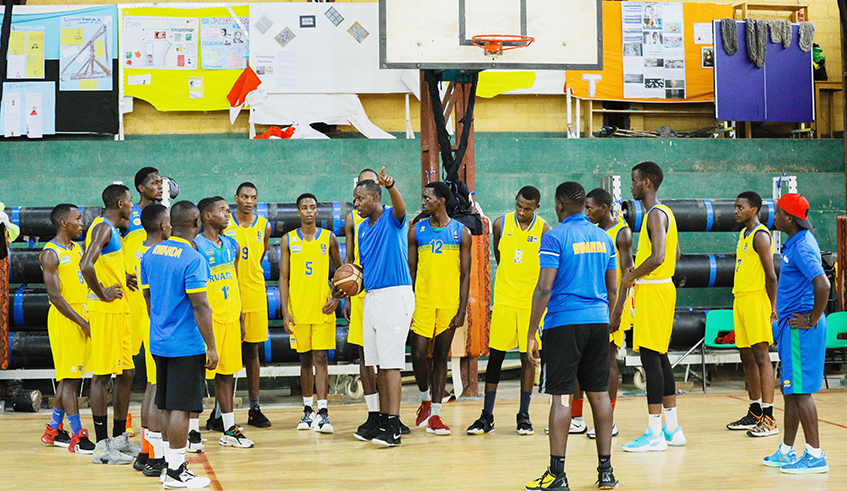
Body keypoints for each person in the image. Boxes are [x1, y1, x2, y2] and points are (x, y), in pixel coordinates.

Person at [524, 182, 618, 491]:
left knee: (562, 396)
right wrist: (604, 316)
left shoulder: (554, 237)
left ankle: (557, 475)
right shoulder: (605, 238)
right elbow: (613, 288)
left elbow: (544, 287)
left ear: (560, 206)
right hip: (598, 323)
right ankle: (606, 473)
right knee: (599, 394)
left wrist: (530, 333)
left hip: (564, 324)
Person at [141, 201, 217, 489]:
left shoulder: (150, 255)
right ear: (196, 223)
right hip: (186, 344)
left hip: (159, 341)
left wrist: (161, 324)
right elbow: (200, 306)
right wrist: (211, 347)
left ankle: (166, 464)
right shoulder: (193, 258)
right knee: (181, 409)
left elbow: (148, 300)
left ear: (172, 223)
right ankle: (176, 471)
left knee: (166, 404)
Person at [468, 186, 549, 436]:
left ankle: (523, 416)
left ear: (536, 208)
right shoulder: (500, 224)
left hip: (530, 304)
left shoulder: (545, 230)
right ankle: (487, 415)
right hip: (504, 300)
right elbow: (500, 255)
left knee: (528, 358)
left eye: (527, 208)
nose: (521, 211)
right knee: (496, 358)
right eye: (518, 206)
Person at [619, 161, 685, 452]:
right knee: (660, 357)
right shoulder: (665, 213)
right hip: (660, 289)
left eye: (633, 181)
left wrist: (631, 274)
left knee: (650, 358)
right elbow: (675, 253)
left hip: (653, 290)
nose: (630, 185)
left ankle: (655, 433)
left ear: (646, 183)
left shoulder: (655, 216)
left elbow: (659, 257)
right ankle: (672, 429)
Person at [762, 193, 830, 474]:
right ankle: (788, 450)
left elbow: (823, 284)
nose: (774, 216)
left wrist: (812, 318)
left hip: (802, 328)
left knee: (801, 393)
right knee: (790, 390)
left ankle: (815, 455)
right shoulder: (796, 243)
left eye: (777, 213)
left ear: (789, 218)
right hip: (793, 328)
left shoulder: (802, 247)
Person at [346, 167, 414, 447]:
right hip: (372, 296)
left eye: (360, 199)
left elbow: (400, 207)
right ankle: (383, 419)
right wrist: (345, 286)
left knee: (391, 365)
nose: (356, 204)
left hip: (394, 295)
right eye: (354, 200)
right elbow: (364, 269)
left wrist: (392, 186)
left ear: (375, 198)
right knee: (376, 364)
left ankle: (394, 427)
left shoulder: (391, 218)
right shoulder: (362, 229)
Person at [80, 184, 139, 464]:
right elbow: (85, 264)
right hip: (105, 310)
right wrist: (103, 292)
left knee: (127, 372)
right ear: (119, 204)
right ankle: (102, 446)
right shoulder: (103, 227)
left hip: (119, 309)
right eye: (129, 202)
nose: (132, 206)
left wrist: (122, 276)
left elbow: (104, 262)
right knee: (102, 376)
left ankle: (119, 438)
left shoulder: (113, 231)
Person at [408, 182, 472, 436]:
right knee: (418, 355)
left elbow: (466, 275)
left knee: (441, 357)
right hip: (421, 301)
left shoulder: (461, 232)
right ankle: (424, 400)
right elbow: (410, 271)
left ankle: (435, 414)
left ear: (441, 201)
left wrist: (462, 309)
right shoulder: (417, 230)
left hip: (448, 303)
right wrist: (407, 302)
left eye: (428, 198)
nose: (423, 201)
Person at [572, 188, 633, 439]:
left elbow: (627, 276)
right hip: (591, 306)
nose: (586, 212)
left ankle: (610, 421)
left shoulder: (622, 233)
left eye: (590, 208)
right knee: (577, 363)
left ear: (604, 209)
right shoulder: (592, 232)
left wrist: (617, 311)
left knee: (607, 363)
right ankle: (577, 419)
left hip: (613, 306)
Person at [280, 193, 343, 433]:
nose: (309, 211)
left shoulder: (329, 238)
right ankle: (307, 410)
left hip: (322, 309)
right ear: (298, 212)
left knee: (320, 359)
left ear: (318, 212)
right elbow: (283, 278)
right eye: (304, 208)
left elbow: (343, 272)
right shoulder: (288, 240)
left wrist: (337, 298)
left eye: (313, 207)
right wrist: (286, 312)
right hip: (298, 310)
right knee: (304, 360)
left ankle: (324, 412)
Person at [195, 197, 254, 448]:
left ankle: (229, 429)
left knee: (227, 375)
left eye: (228, 210)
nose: (228, 214)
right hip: (206, 320)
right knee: (196, 376)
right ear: (207, 216)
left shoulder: (231, 244)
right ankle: (190, 431)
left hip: (230, 317)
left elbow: (235, 280)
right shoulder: (195, 245)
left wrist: (240, 316)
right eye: (223, 211)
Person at [39, 204, 95, 454]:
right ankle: (77, 436)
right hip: (65, 319)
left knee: (69, 378)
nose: (81, 223)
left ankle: (53, 430)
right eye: (78, 219)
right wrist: (81, 322)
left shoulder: (77, 248)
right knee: (70, 379)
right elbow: (55, 297)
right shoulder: (50, 253)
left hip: (81, 315)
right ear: (64, 222)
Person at [726, 191, 778, 437]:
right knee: (746, 357)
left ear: (754, 209)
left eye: (740, 207)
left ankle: (769, 417)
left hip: (757, 299)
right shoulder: (744, 233)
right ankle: (755, 411)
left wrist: (773, 305)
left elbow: (771, 275)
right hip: (741, 299)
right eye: (735, 207)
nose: (736, 211)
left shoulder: (760, 236)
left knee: (761, 357)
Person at [223, 182, 272, 429]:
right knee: (228, 356)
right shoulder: (225, 224)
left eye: (253, 197)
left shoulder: (264, 225)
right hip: (229, 294)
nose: (249, 201)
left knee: (252, 352)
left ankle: (254, 408)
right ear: (236, 198)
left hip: (254, 295)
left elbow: (259, 257)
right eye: (244, 196)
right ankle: (220, 412)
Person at [123, 167, 163, 468]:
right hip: (134, 303)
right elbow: (103, 247)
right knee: (127, 370)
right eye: (153, 182)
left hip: (151, 302)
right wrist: (122, 274)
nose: (159, 185)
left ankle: (150, 447)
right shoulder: (127, 215)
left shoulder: (161, 216)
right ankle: (124, 428)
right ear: (140, 188)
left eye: (161, 181)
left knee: (152, 379)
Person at [136, 204, 172, 479]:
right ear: (162, 226)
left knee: (151, 388)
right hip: (158, 327)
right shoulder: (158, 255)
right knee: (157, 391)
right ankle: (156, 457)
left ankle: (147, 451)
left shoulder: (142, 250)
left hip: (149, 324)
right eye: (169, 222)